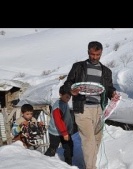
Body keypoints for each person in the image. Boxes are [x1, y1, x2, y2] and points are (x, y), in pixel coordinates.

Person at [63, 41, 120, 169]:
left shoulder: (106, 71)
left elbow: (109, 88)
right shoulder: (78, 67)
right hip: (82, 108)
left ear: (101, 53)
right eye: (92, 54)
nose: (94, 57)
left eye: (97, 54)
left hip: (99, 109)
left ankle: (90, 164)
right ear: (88, 52)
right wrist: (71, 90)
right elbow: (67, 83)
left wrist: (113, 94)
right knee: (88, 140)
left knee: (97, 139)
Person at [44, 85, 74, 166]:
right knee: (53, 148)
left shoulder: (64, 103)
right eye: (66, 97)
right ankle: (44, 162)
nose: (68, 99)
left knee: (69, 147)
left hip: (64, 131)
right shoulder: (58, 106)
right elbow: (58, 120)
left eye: (69, 97)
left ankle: (68, 165)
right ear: (60, 94)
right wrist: (64, 133)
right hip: (55, 132)